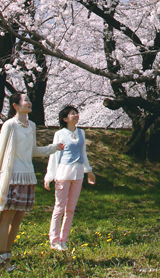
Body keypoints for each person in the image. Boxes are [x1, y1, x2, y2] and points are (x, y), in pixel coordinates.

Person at [0, 92, 63, 270]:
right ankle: (1, 257)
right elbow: (0, 150)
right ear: (16, 105)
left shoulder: (32, 126)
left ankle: (6, 255)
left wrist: (53, 148)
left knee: (18, 220)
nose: (29, 103)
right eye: (25, 100)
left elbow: (33, 150)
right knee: (6, 218)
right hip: (11, 177)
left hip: (28, 177)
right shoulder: (9, 125)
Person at [44, 105, 96, 251]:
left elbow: (83, 153)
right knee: (59, 207)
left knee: (70, 209)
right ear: (65, 119)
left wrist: (89, 171)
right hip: (63, 173)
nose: (76, 115)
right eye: (73, 114)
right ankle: (54, 240)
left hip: (78, 174)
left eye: (76, 113)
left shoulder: (81, 133)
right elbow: (54, 155)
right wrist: (49, 176)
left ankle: (63, 239)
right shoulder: (60, 134)